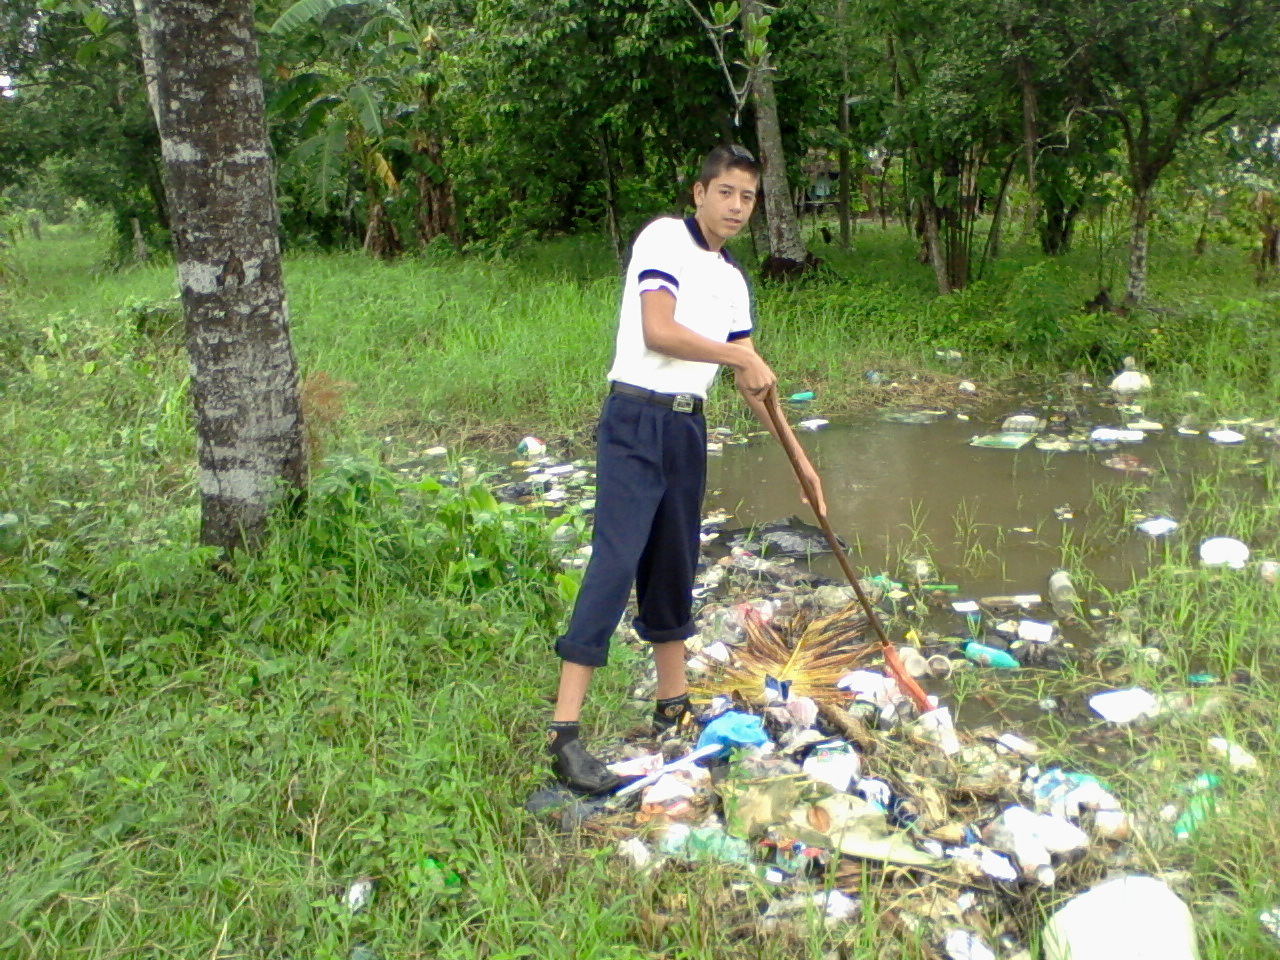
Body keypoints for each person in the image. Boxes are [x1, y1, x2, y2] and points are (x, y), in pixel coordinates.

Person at [548, 144, 826, 794]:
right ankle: (564, 735)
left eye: (747, 197)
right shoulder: (664, 240)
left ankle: (672, 705)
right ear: (699, 192)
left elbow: (754, 376)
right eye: (725, 192)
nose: (735, 206)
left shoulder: (732, 280)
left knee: (674, 561)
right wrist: (736, 362)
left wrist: (801, 460)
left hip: (686, 426)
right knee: (616, 564)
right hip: (635, 420)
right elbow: (659, 331)